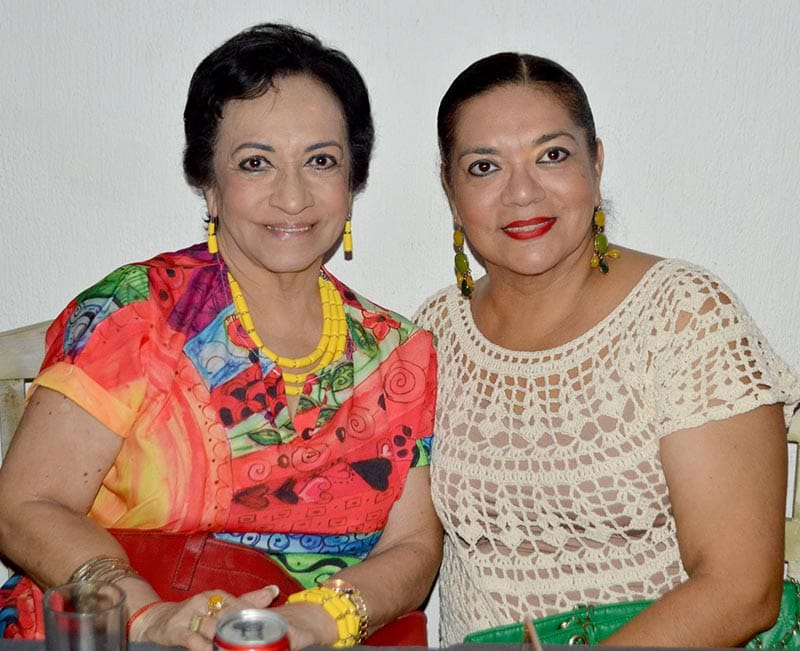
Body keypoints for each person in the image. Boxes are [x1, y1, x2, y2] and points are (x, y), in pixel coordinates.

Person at [0, 23, 441, 650]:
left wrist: (319, 620)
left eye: (320, 161)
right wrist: (149, 616)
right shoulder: (136, 314)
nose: (292, 197)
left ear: (353, 182)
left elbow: (414, 546)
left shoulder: (400, 354)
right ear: (209, 183)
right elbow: (25, 504)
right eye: (256, 163)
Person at [415, 51, 800, 647]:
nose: (522, 192)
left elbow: (741, 591)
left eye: (552, 155)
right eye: (485, 167)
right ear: (450, 188)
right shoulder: (433, 331)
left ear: (596, 162)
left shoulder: (682, 315)